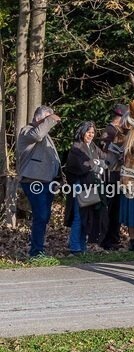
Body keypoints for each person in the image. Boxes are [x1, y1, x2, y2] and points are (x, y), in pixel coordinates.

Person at [15, 106, 62, 257]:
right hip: (33, 180)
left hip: (47, 181)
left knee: (44, 215)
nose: (51, 122)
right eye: (47, 119)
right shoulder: (27, 131)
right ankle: (36, 252)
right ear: (38, 118)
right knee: (41, 215)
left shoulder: (44, 133)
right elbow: (37, 135)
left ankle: (38, 248)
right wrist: (50, 119)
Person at [64, 121, 107, 253]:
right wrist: (95, 164)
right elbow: (82, 167)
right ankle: (75, 247)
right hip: (80, 186)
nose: (91, 135)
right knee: (78, 216)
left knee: (86, 217)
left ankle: (82, 247)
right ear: (82, 132)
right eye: (88, 132)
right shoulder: (76, 147)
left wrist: (96, 163)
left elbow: (106, 161)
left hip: (90, 185)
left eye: (93, 132)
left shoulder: (92, 146)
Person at [98, 104, 129, 250]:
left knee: (116, 209)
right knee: (110, 209)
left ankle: (113, 238)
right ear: (121, 117)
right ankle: (107, 240)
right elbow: (108, 150)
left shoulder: (118, 130)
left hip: (117, 173)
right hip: (110, 174)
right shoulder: (110, 131)